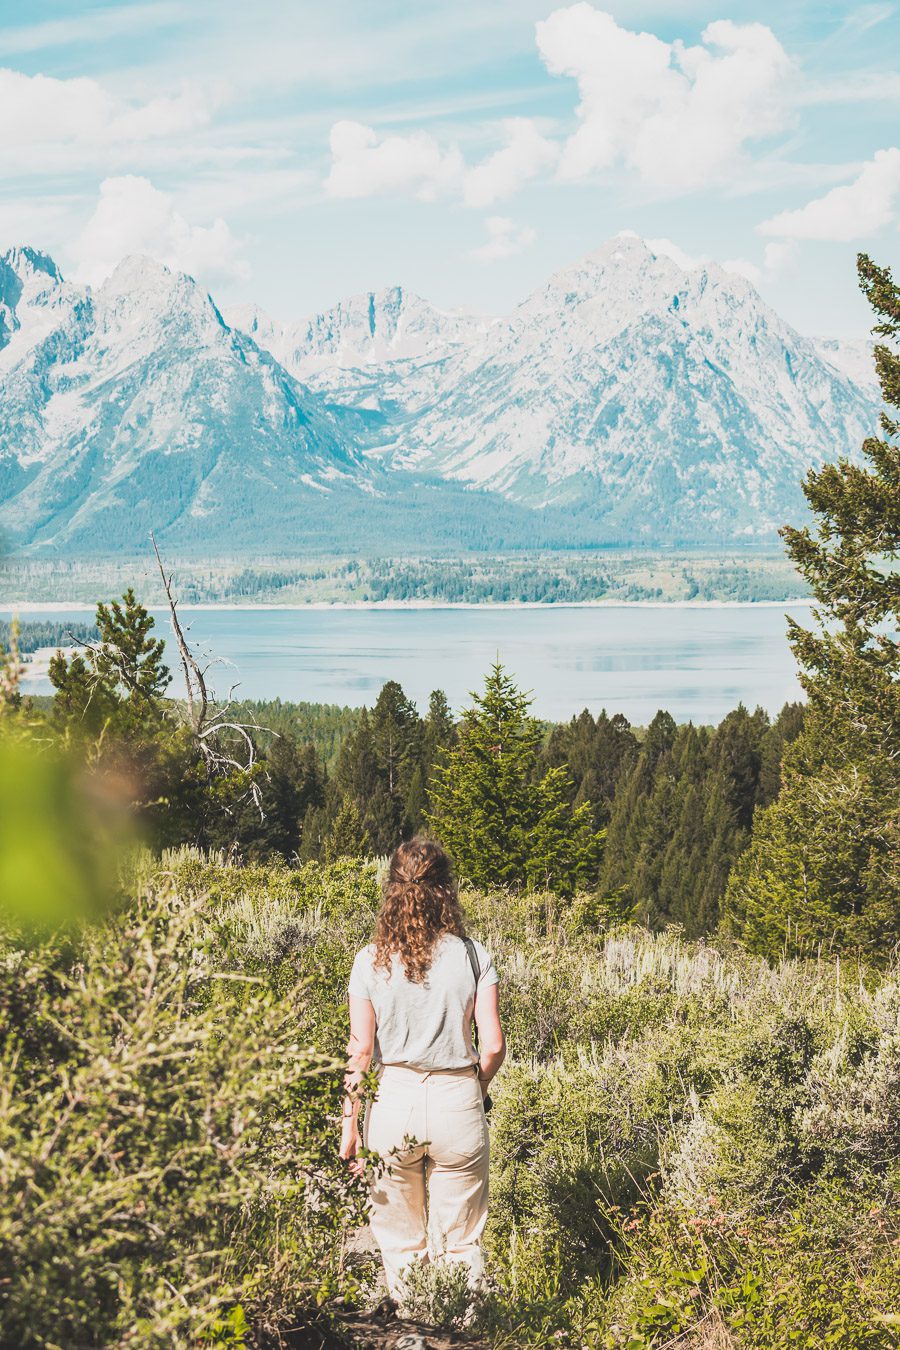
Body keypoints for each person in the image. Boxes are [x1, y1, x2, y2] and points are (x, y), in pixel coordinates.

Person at [339, 837, 506, 1300]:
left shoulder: (368, 960)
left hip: (394, 1103)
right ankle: (463, 1333)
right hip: (459, 1101)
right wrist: (478, 1085)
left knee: (400, 1242)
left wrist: (349, 1127)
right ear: (446, 890)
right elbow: (492, 1046)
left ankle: (413, 1332)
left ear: (392, 889)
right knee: (462, 1243)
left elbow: (361, 1052)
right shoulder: (474, 956)